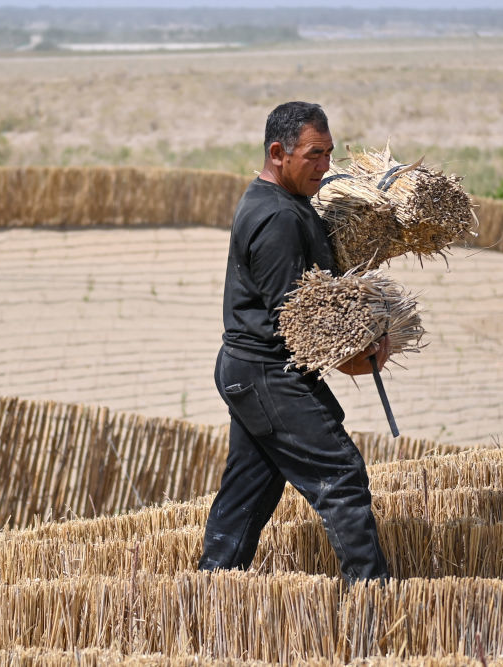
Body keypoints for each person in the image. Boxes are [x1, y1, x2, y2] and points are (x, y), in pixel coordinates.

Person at [198, 101, 391, 582]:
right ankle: (375, 601)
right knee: (341, 478)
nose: (325, 166)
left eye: (328, 153)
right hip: (267, 372)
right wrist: (357, 358)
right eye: (314, 155)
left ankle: (206, 596)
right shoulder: (278, 220)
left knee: (249, 491)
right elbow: (298, 321)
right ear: (279, 152)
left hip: (249, 370)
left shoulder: (282, 203)